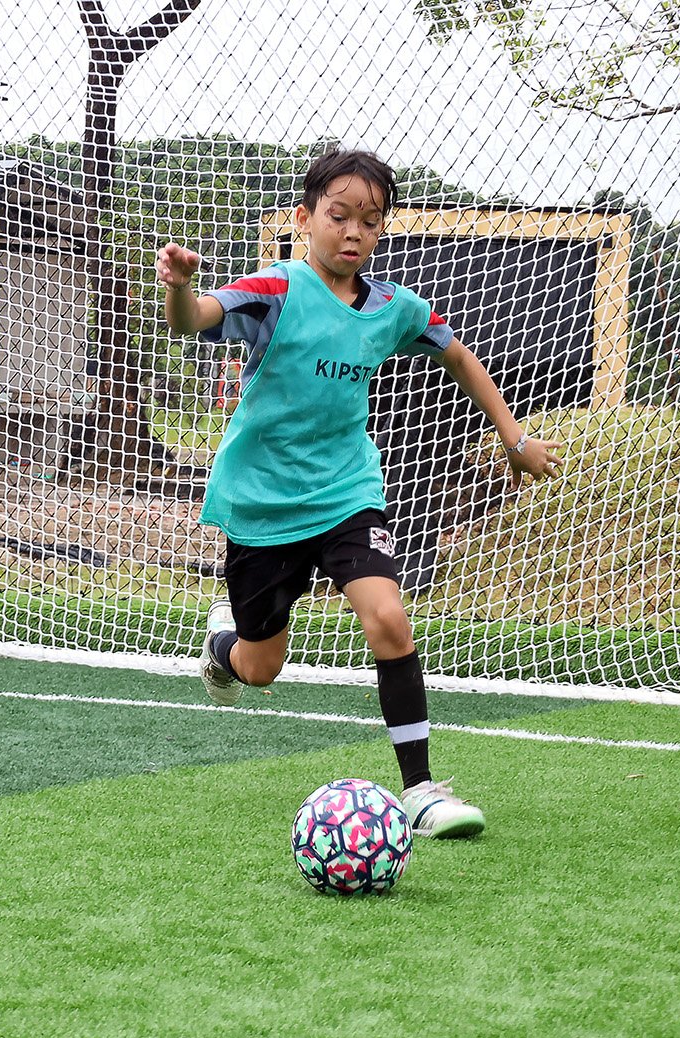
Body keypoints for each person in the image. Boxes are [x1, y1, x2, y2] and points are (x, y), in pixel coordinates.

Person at [157, 147, 565, 839]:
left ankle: (421, 791)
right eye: (339, 215)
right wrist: (179, 285)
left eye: (370, 221)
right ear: (304, 217)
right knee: (259, 668)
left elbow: (458, 355)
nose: (353, 232)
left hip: (347, 492)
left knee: (388, 619)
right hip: (263, 504)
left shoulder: (392, 308)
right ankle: (222, 644)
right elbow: (191, 318)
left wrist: (513, 436)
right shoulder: (276, 289)